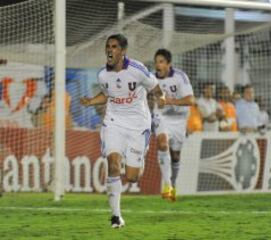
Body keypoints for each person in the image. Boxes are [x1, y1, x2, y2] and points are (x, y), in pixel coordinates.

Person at [80, 34, 165, 228]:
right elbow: (107, 95)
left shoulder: (138, 70)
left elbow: (155, 87)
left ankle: (137, 157)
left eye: (114, 47)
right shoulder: (102, 74)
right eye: (108, 46)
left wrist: (162, 98)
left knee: (132, 176)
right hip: (114, 122)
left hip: (138, 124)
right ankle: (116, 216)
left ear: (123, 51)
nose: (110, 50)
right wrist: (91, 101)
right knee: (113, 165)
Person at [152, 48, 195, 201]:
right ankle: (167, 186)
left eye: (161, 62)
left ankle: (173, 183)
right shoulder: (151, 79)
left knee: (176, 155)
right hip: (161, 116)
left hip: (179, 119)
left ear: (169, 64)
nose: (158, 65)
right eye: (156, 62)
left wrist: (171, 101)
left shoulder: (180, 77)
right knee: (162, 144)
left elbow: (191, 100)